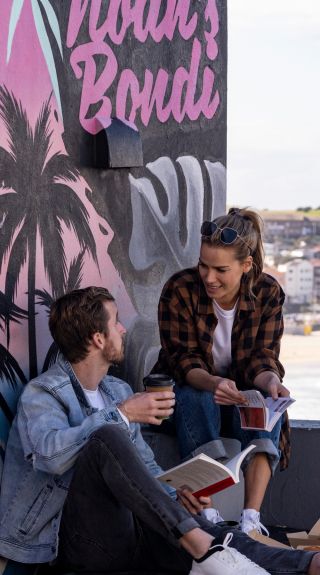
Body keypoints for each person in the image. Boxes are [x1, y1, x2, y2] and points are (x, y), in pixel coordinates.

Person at [0, 287, 319, 575]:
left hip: (132, 532)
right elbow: (50, 456)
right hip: (75, 545)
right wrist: (122, 416)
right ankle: (198, 543)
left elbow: (144, 469)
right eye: (116, 323)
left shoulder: (117, 390)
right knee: (108, 437)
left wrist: (176, 499)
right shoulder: (43, 394)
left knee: (214, 531)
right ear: (98, 338)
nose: (123, 329)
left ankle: (306, 565)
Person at [152, 207, 290, 535]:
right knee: (198, 397)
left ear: (247, 266)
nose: (209, 277)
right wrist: (215, 383)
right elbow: (183, 361)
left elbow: (262, 358)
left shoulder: (268, 292)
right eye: (203, 265)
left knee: (268, 406)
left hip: (239, 399)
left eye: (220, 269)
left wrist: (271, 382)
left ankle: (251, 521)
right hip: (189, 397)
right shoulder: (180, 289)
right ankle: (208, 515)